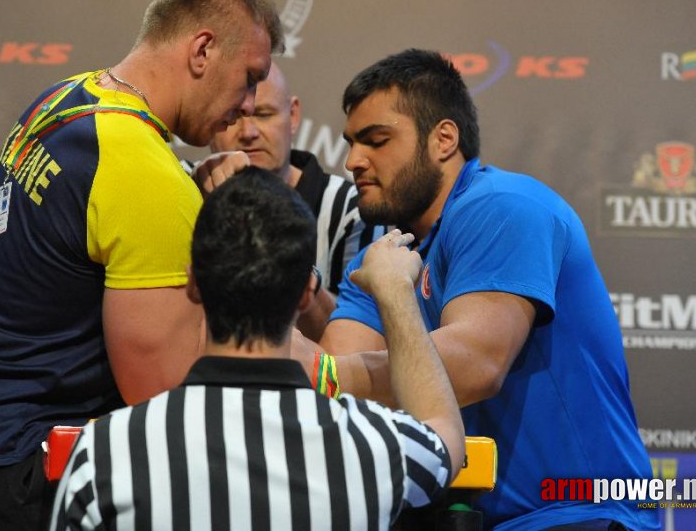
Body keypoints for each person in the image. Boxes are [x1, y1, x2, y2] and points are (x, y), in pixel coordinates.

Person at [0, 0, 283, 531]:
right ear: (202, 51)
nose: (247, 103)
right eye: (249, 76)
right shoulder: (143, 173)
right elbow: (165, 405)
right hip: (2, 474)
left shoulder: (70, 99)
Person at [318, 49, 659, 530]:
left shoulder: (504, 207)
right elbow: (335, 384)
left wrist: (324, 375)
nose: (353, 161)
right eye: (351, 142)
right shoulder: (380, 257)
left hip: (575, 515)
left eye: (376, 140)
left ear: (443, 139)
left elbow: (473, 365)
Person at [50, 168, 466, 531]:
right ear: (306, 294)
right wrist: (395, 293)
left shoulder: (106, 452)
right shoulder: (371, 444)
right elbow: (445, 436)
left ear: (194, 283)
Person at [201, 62, 384, 337]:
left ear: (293, 114)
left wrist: (281, 250)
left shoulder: (351, 209)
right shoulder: (188, 191)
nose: (248, 132)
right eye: (234, 116)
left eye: (263, 114)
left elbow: (358, 340)